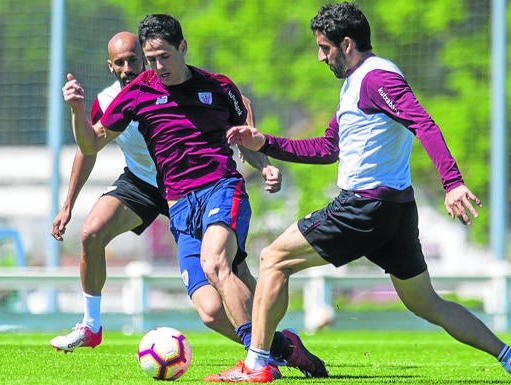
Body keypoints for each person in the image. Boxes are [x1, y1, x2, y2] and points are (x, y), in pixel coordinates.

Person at [208, 2, 511, 383]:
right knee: (426, 302)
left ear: (346, 43)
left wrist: (452, 182)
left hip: (363, 207)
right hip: (395, 211)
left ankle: (257, 364)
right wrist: (264, 142)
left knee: (274, 259)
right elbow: (328, 148)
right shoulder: (355, 85)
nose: (320, 57)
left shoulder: (377, 79)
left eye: (324, 48)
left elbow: (423, 123)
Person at [63, 15, 328, 379]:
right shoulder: (136, 94)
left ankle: (257, 364)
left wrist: (263, 165)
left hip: (221, 188)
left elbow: (245, 138)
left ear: (183, 48)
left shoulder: (219, 87)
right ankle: (285, 349)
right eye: (151, 58)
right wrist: (77, 110)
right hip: (180, 207)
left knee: (216, 262)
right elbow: (90, 143)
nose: (158, 66)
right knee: (209, 311)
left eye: (165, 57)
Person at [49, 32, 281, 353]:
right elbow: (88, 147)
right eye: (121, 63)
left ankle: (270, 339)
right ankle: (91, 325)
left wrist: (250, 145)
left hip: (189, 185)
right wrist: (67, 205)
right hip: (143, 183)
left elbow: (238, 100)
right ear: (110, 66)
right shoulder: (106, 102)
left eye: (134, 59)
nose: (129, 67)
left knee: (232, 268)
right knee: (90, 233)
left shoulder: (170, 82)